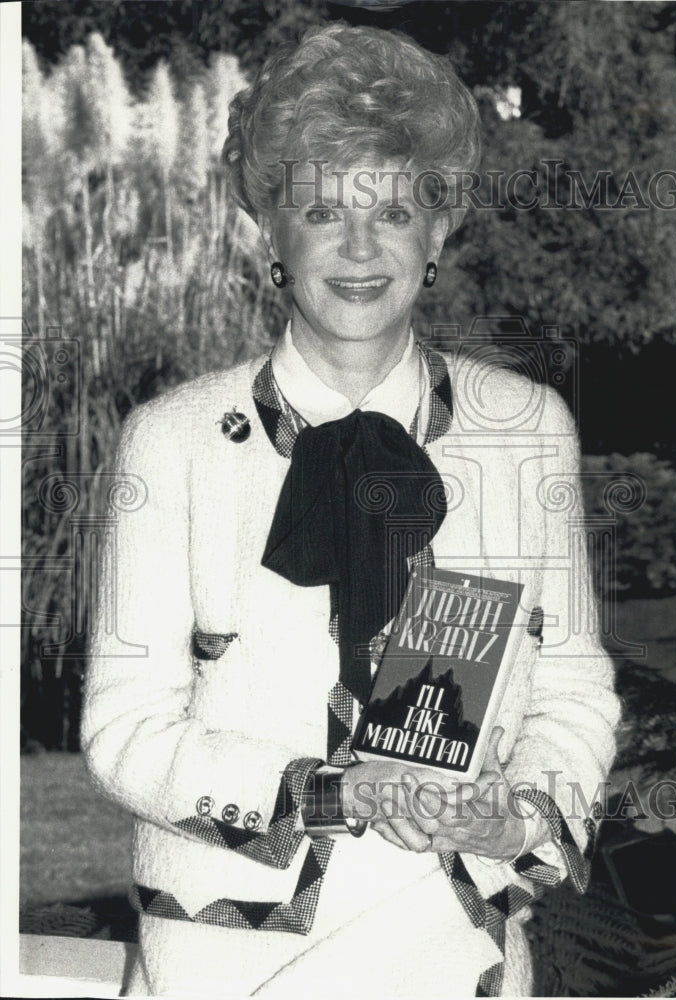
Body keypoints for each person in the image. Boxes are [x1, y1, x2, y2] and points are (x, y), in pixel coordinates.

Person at [82, 22, 620, 998]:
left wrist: (529, 809)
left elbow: (574, 695)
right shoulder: (169, 439)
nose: (362, 249)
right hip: (225, 958)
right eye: (324, 212)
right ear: (267, 231)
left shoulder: (527, 427)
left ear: (441, 230)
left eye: (396, 212)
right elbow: (125, 734)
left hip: (461, 945)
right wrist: (331, 791)